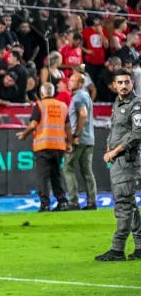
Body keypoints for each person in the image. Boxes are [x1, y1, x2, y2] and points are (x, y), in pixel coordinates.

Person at [95, 70, 141, 262]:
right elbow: (116, 129)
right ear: (114, 85)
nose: (123, 85)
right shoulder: (118, 103)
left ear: (132, 83)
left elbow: (137, 133)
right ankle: (140, 247)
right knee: (129, 204)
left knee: (123, 204)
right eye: (120, 82)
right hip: (119, 160)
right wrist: (108, 146)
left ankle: (117, 249)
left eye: (127, 82)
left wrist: (114, 152)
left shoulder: (136, 105)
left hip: (127, 161)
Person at [16, 83, 73, 212]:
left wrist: (24, 135)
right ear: (53, 93)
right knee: (56, 175)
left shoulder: (40, 105)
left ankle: (45, 204)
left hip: (43, 145)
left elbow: (33, 125)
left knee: (43, 177)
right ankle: (62, 201)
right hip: (59, 146)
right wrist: (69, 143)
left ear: (42, 93)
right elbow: (68, 127)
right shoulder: (62, 106)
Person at [65, 72, 97, 210]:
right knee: (87, 171)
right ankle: (92, 201)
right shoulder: (86, 96)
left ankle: (73, 201)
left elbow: (83, 114)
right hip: (89, 138)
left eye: (73, 80)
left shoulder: (78, 97)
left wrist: (76, 135)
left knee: (68, 168)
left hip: (80, 139)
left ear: (80, 84)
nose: (69, 82)